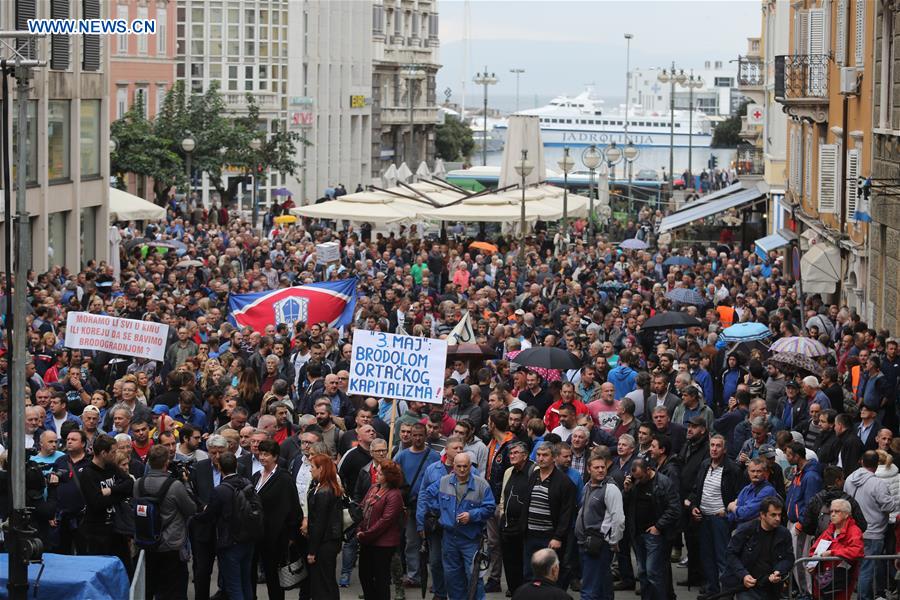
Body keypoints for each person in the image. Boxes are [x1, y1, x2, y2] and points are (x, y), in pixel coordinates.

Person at [418, 451, 496, 600]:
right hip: (449, 538)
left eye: (465, 466)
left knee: (473, 576)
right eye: (458, 466)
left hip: (470, 539)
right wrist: (442, 510)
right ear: (453, 465)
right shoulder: (443, 482)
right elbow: (427, 495)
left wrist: (471, 515)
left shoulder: (481, 484)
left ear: (470, 467)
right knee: (452, 576)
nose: (461, 470)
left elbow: (490, 508)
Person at [688, 434, 743, 596]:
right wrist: (693, 506)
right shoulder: (705, 465)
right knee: (706, 557)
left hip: (721, 520)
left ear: (724, 449)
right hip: (703, 517)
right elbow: (696, 490)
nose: (714, 448)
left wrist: (727, 511)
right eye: (712, 445)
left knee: (723, 558)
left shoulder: (732, 469)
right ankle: (712, 590)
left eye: (718, 446)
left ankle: (725, 593)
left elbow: (739, 496)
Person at [623, 457, 681, 600]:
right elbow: (625, 505)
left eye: (641, 477)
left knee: (653, 572)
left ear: (648, 471)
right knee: (642, 572)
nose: (639, 481)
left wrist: (658, 526)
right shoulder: (634, 482)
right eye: (635, 478)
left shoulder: (663, 483)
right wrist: (627, 491)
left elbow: (675, 509)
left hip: (654, 535)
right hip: (637, 533)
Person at [519, 441, 577, 582]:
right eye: (538, 455)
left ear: (554, 458)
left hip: (550, 537)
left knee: (549, 576)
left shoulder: (564, 482)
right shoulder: (534, 476)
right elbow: (527, 504)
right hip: (531, 534)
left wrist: (557, 537)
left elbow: (567, 513)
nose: (540, 458)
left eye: (545, 455)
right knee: (529, 574)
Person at [843, 450, 897, 600]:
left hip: (854, 530)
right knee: (867, 570)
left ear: (861, 461)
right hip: (874, 532)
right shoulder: (877, 483)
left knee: (859, 569)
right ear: (876, 464)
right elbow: (888, 506)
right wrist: (893, 501)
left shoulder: (849, 479)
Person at [252, 439, 301, 600]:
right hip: (256, 534)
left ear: (275, 457)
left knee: (273, 576)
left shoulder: (284, 478)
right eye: (260, 453)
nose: (262, 457)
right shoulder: (256, 476)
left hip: (275, 536)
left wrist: (292, 535)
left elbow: (293, 508)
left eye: (266, 454)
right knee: (251, 571)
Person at [78, 434, 134, 573]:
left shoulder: (111, 467)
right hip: (97, 533)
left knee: (125, 570)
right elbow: (96, 503)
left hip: (117, 529)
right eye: (113, 451)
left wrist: (110, 490)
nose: (116, 454)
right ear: (103, 453)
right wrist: (119, 496)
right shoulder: (88, 473)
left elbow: (129, 483)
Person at [394, 422, 440, 587]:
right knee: (411, 541)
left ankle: (437, 580)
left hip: (431, 507)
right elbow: (393, 476)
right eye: (415, 435)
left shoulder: (434, 456)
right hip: (410, 506)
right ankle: (414, 576)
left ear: (425, 436)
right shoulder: (402, 456)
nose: (418, 438)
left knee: (434, 544)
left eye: (421, 435)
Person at [722, 496, 794, 600]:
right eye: (773, 515)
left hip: (769, 585)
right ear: (762, 515)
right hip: (746, 584)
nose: (778, 518)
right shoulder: (746, 530)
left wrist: (779, 571)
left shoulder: (784, 534)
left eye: (779, 514)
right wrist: (743, 575)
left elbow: (789, 558)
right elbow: (731, 554)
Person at [575, 454, 625, 600]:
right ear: (588, 469)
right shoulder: (587, 486)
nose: (600, 470)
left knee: (589, 589)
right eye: (596, 467)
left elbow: (619, 518)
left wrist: (614, 541)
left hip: (598, 543)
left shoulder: (611, 489)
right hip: (584, 542)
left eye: (603, 467)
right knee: (603, 587)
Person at [357, 461, 405, 600]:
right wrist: (360, 529)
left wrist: (366, 535)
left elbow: (385, 521)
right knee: (364, 575)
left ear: (389, 477)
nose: (376, 474)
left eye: (380, 473)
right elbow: (362, 509)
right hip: (367, 540)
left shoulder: (394, 495)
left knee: (380, 579)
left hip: (383, 544)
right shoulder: (373, 488)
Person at [785, 440, 823, 600]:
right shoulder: (800, 472)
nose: (786, 458)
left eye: (788, 455)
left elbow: (811, 504)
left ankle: (806, 593)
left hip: (802, 525)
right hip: (794, 522)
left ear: (797, 456)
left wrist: (801, 522)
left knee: (800, 560)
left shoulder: (811, 476)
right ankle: (802, 591)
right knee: (795, 558)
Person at [807, 498, 865, 600]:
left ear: (846, 514)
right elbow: (815, 549)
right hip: (823, 579)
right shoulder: (829, 530)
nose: (832, 514)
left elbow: (857, 551)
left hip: (841, 580)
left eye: (837, 511)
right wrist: (813, 563)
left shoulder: (854, 531)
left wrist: (832, 553)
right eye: (831, 511)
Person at [499, 440, 536, 595]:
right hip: (508, 525)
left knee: (524, 562)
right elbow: (503, 496)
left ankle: (524, 592)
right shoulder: (508, 471)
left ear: (525, 455)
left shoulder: (534, 471)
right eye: (510, 453)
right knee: (509, 560)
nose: (512, 456)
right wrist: (502, 514)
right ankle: (513, 589)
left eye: (516, 453)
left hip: (525, 526)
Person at [306, 453, 343, 600]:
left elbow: (319, 523)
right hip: (329, 541)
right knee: (326, 581)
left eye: (312, 467)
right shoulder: (322, 487)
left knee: (323, 583)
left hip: (324, 543)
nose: (310, 470)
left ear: (321, 469)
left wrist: (312, 551)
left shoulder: (324, 491)